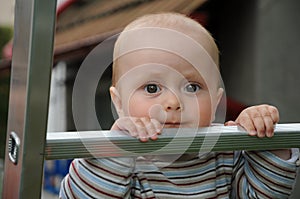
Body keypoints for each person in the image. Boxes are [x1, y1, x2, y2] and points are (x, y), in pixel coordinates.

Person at [60, 13, 298, 198]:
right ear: (119, 103)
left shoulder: (226, 151)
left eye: (192, 87)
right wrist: (115, 152)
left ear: (216, 102)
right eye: (152, 88)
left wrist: (265, 141)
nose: (173, 103)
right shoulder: (115, 160)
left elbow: (265, 194)